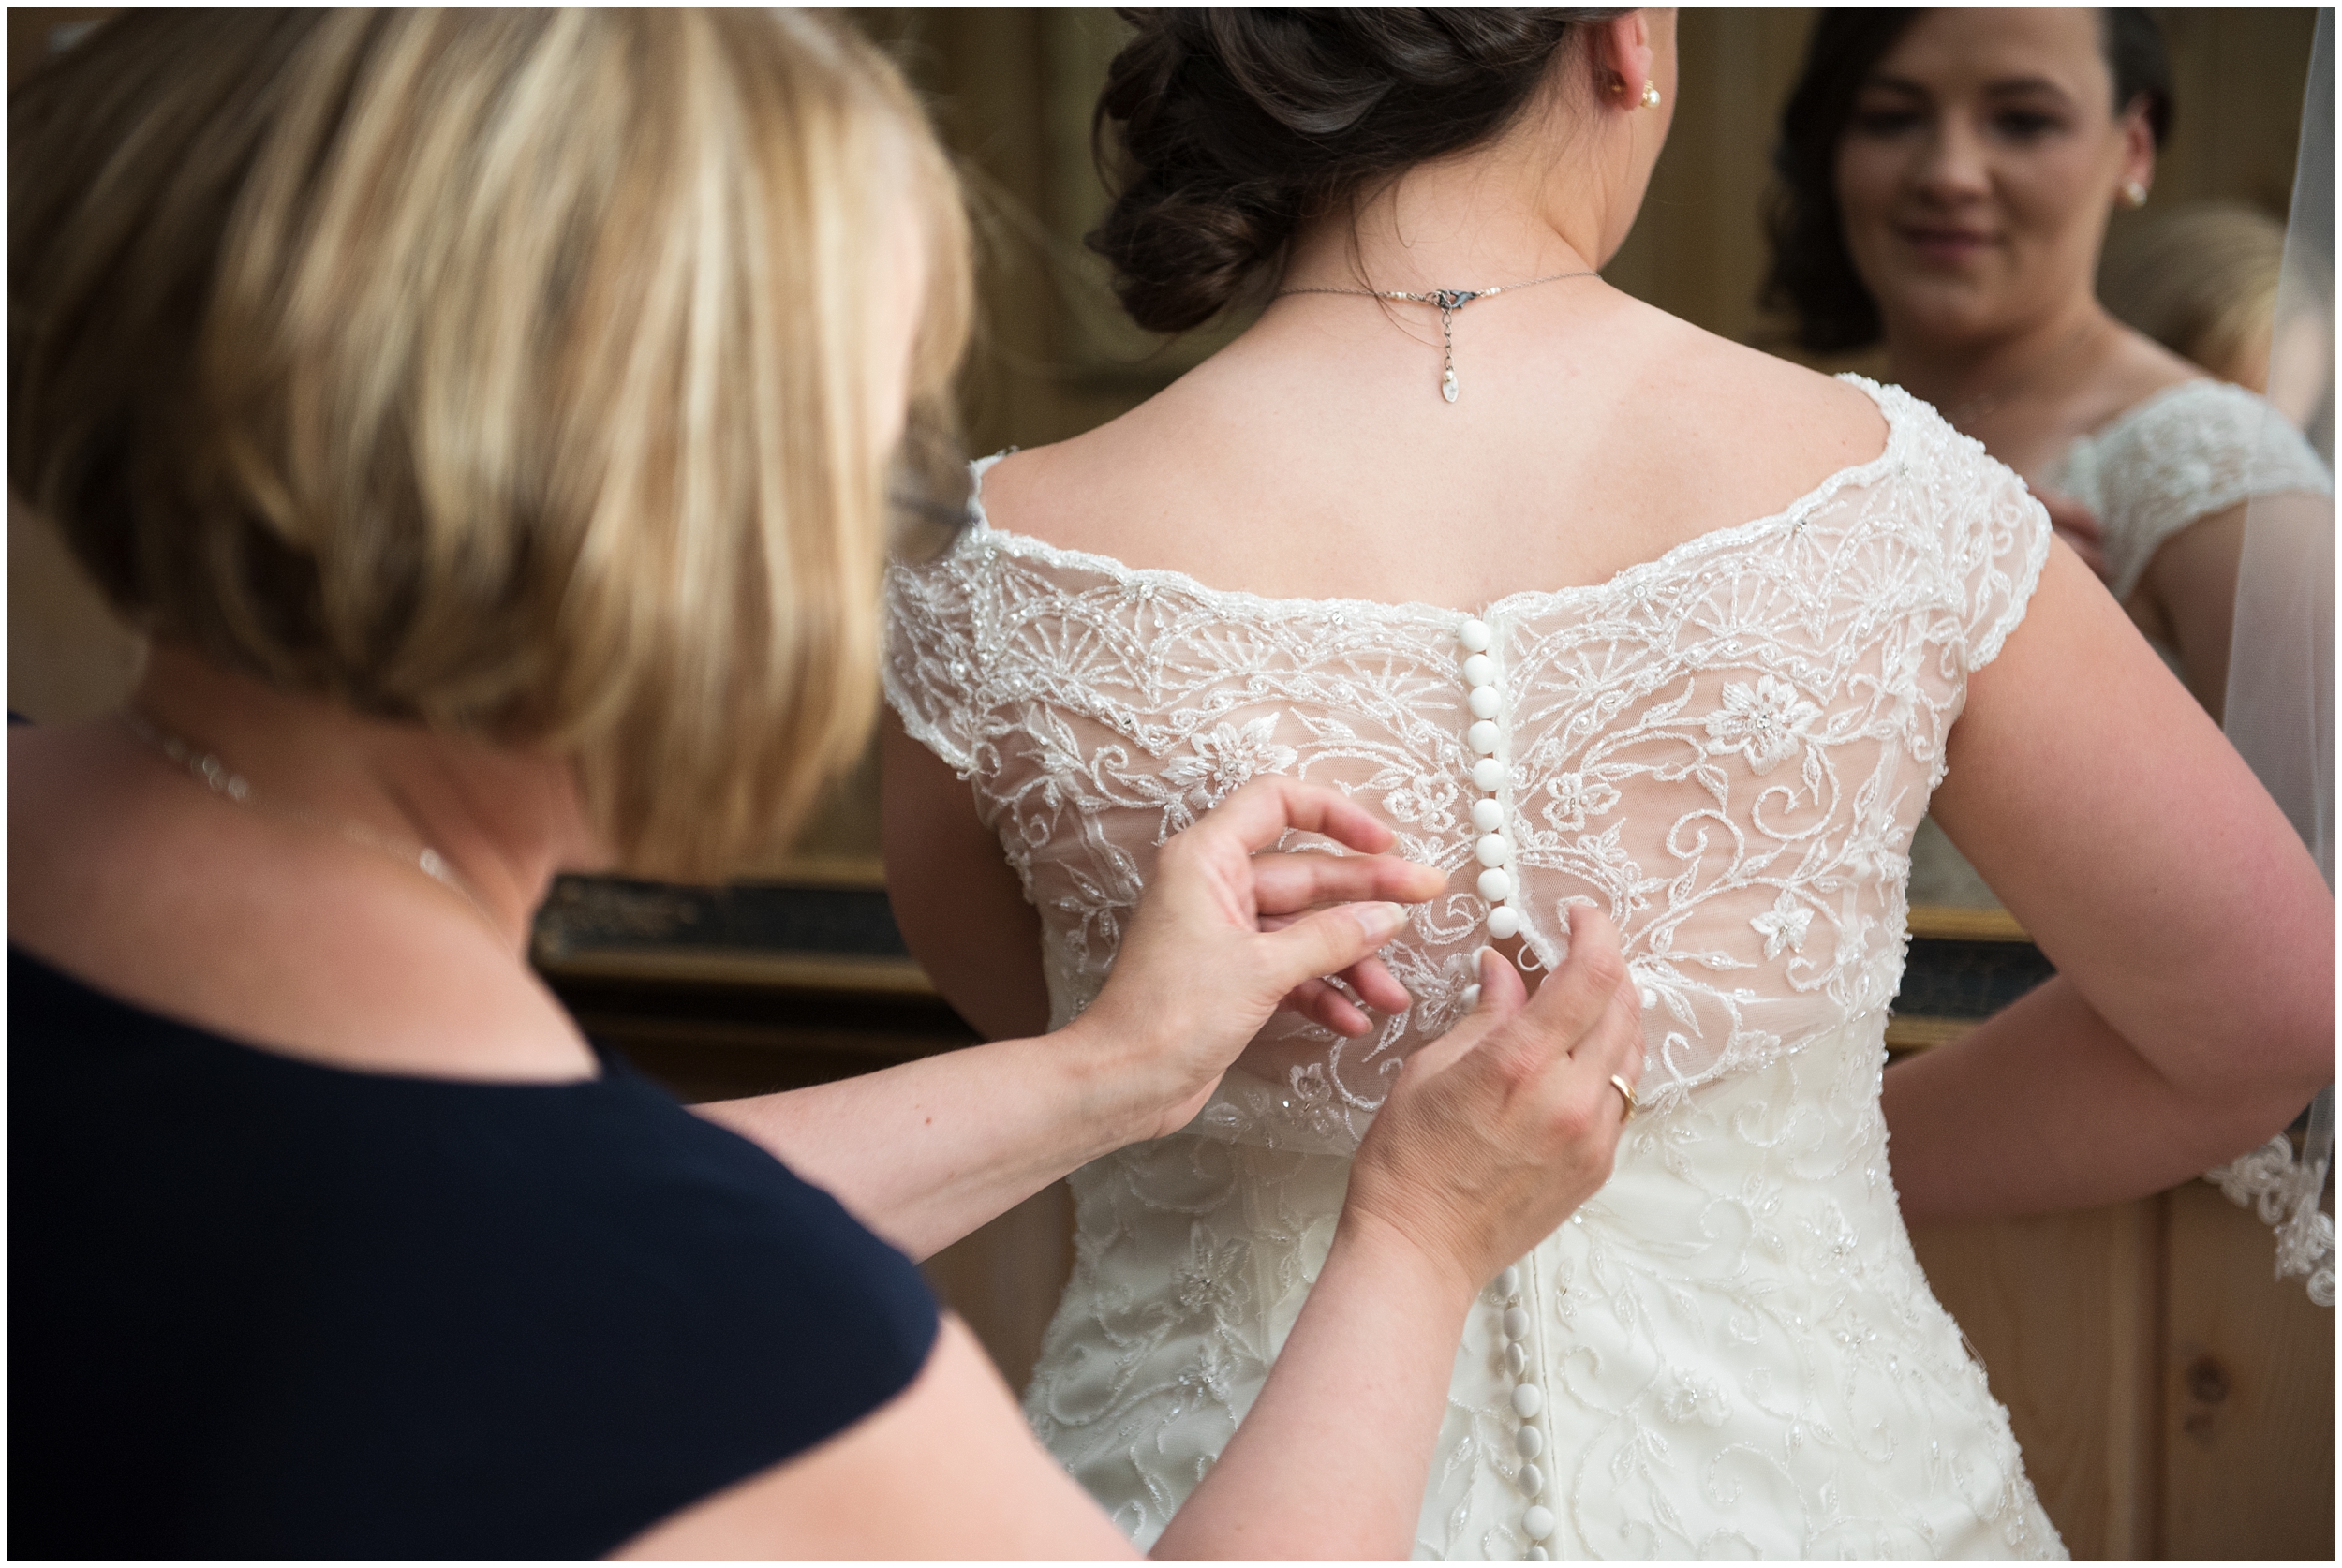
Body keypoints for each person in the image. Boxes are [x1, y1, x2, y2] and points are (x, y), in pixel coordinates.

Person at [7, 10, 1650, 1559]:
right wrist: (1417, 1240)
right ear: (650, 523)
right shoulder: (743, 1343)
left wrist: (1120, 1066)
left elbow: (444, 1209)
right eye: (864, 473)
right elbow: (550, 1236)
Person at [882, 7, 2333, 1559]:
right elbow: (2271, 1006)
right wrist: (1794, 1148)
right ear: (1628, 40)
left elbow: (1040, 1034)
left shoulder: (994, 571)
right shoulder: (1904, 505)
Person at [1766, 6, 2332, 722]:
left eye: (2023, 121)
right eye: (1890, 117)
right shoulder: (1796, 439)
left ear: (2133, 146)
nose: (1949, 174)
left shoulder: (2225, 483)